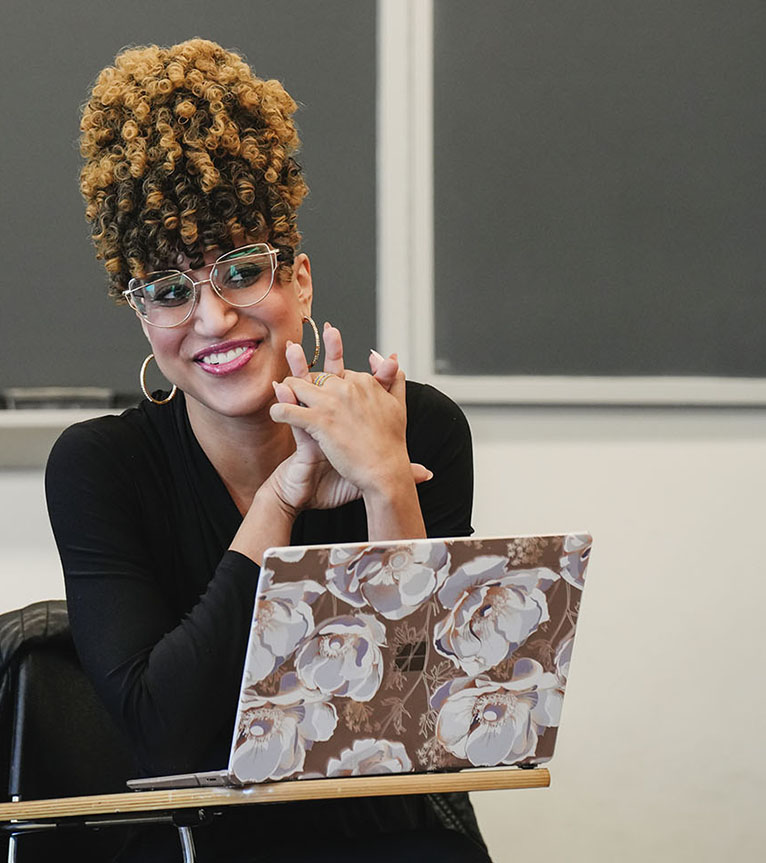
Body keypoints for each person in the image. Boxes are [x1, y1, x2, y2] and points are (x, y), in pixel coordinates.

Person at [45, 39, 488, 862]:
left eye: (241, 271)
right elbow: (167, 735)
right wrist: (281, 500)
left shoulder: (417, 427)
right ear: (143, 318)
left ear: (301, 280)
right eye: (171, 291)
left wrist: (388, 481)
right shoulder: (98, 469)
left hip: (395, 842)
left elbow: (428, 730)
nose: (212, 319)